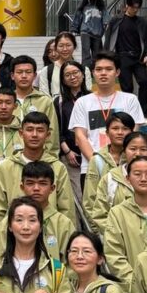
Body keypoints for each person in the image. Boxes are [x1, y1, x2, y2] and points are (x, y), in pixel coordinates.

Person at [0, 112, 78, 228]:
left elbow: (66, 208)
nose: (34, 135)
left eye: (40, 130)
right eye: (30, 130)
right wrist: (5, 235)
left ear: (48, 135)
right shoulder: (6, 167)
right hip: (15, 234)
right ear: (21, 133)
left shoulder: (57, 167)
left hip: (51, 234)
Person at [69, 51, 146, 180]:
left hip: (125, 169)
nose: (103, 73)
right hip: (91, 169)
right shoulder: (82, 102)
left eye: (109, 69)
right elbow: (80, 136)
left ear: (117, 72)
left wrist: (118, 163)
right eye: (98, 69)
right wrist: (98, 163)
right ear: (93, 73)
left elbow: (133, 135)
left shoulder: (130, 100)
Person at [0, 161, 76, 264]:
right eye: (30, 183)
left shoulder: (63, 224)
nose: (36, 188)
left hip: (55, 279)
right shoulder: (8, 222)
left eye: (43, 183)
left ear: (52, 188)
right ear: (22, 187)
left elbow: (72, 266)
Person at [0, 197, 65, 293]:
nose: (26, 227)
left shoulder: (56, 270)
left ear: (41, 226)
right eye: (19, 220)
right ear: (10, 226)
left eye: (32, 220)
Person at [104, 156, 147, 293]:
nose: (143, 178)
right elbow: (114, 254)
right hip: (131, 291)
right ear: (128, 179)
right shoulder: (118, 213)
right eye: (137, 174)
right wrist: (136, 284)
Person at [90, 131, 147, 232]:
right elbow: (99, 216)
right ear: (124, 151)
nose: (138, 153)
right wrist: (119, 235)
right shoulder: (111, 178)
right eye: (133, 149)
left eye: (143, 149)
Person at [82, 112, 135, 231]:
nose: (120, 132)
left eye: (125, 129)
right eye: (115, 128)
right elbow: (90, 200)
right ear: (107, 132)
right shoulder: (97, 161)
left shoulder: (137, 160)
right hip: (105, 229)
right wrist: (97, 231)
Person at [105, 0, 147, 116]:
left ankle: (143, 114)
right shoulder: (116, 21)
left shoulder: (142, 22)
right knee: (127, 88)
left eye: (138, 8)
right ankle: (129, 114)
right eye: (133, 7)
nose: (135, 10)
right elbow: (108, 40)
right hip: (122, 57)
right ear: (127, 5)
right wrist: (108, 57)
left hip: (139, 58)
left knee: (144, 82)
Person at [54, 60, 92, 200]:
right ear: (63, 80)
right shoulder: (59, 102)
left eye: (75, 72)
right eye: (68, 74)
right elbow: (57, 129)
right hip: (71, 156)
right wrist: (67, 151)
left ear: (82, 74)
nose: (73, 77)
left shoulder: (93, 98)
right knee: (78, 196)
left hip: (93, 154)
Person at [11, 55, 60, 155]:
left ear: (34, 75)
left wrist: (47, 160)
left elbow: (52, 134)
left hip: (38, 161)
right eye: (19, 72)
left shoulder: (45, 101)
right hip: (10, 159)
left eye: (28, 72)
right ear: (12, 75)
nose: (24, 76)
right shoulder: (6, 101)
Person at [38, 32, 92, 99]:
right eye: (61, 46)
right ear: (56, 48)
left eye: (68, 45)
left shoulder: (84, 70)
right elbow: (44, 97)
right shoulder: (46, 71)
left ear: (74, 46)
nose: (65, 49)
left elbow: (87, 94)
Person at [71, 0, 110, 68]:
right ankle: (86, 71)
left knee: (97, 54)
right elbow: (77, 16)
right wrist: (74, 28)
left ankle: (95, 70)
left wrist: (106, 23)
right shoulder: (83, 4)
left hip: (97, 33)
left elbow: (106, 16)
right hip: (85, 31)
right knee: (86, 53)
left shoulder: (101, 5)